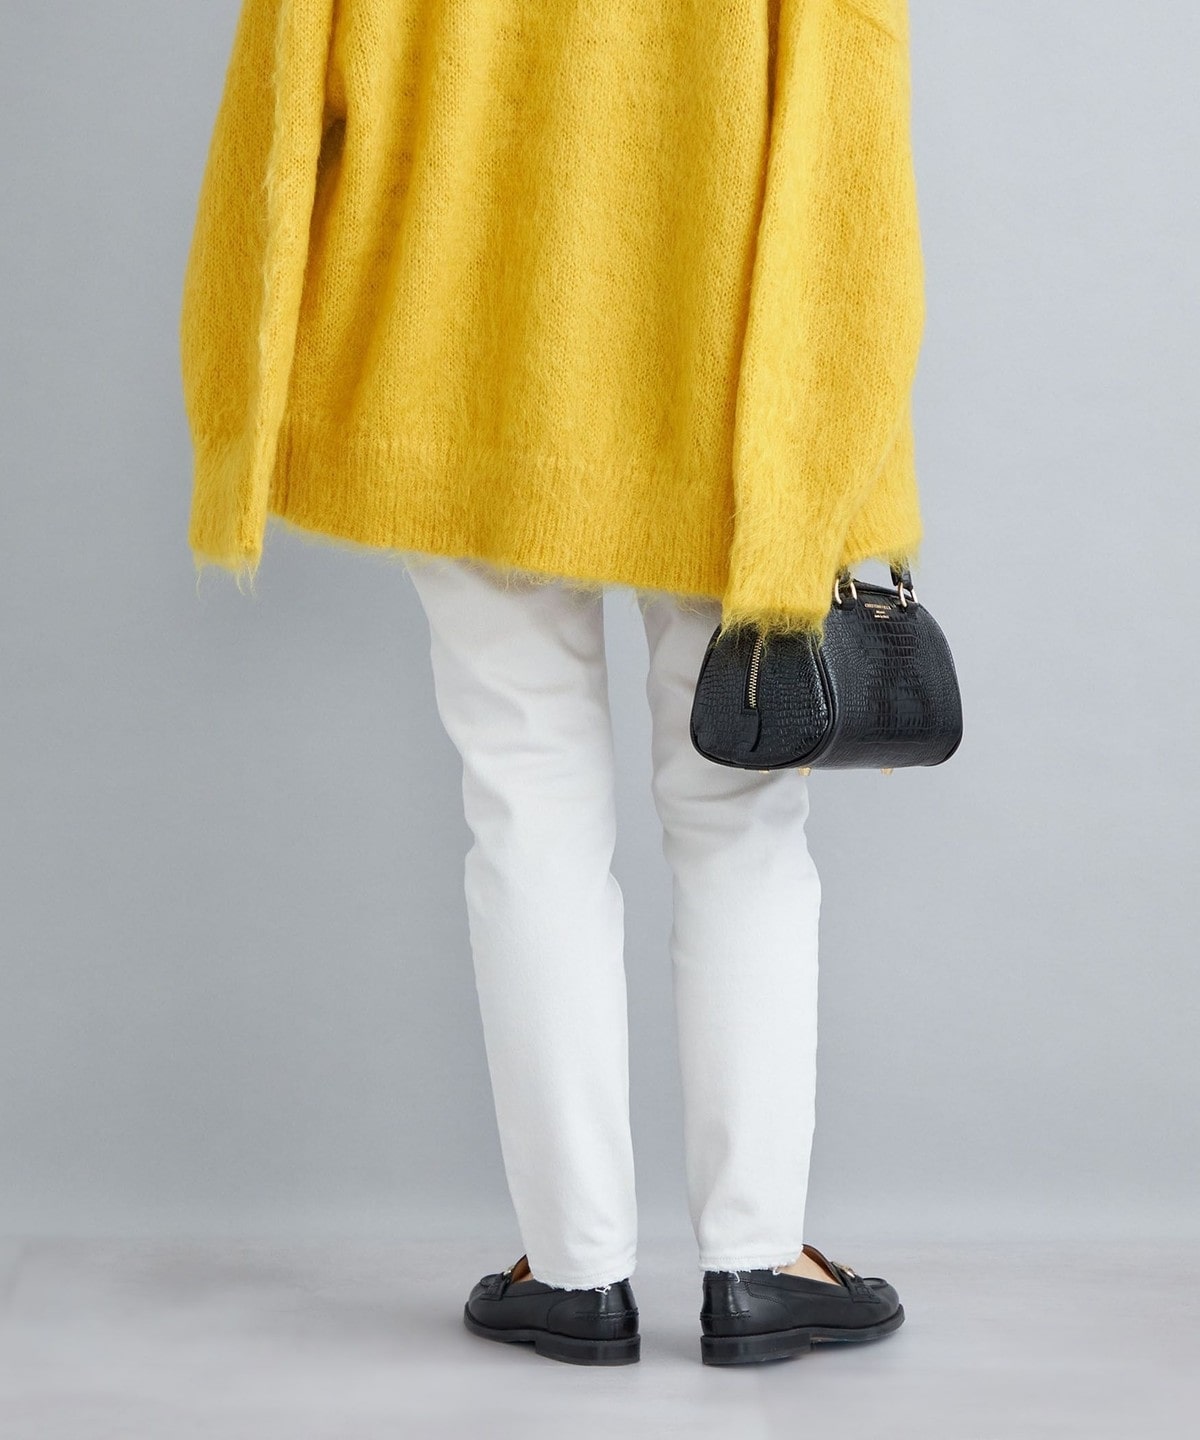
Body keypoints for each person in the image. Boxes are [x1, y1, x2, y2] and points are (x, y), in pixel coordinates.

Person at [180, 0, 926, 1368]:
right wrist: (845, 443)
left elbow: (283, 79)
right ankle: (758, 1263)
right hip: (720, 377)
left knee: (522, 807)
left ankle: (575, 1273)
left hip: (450, 359)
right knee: (740, 818)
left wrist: (245, 383)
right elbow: (849, 131)